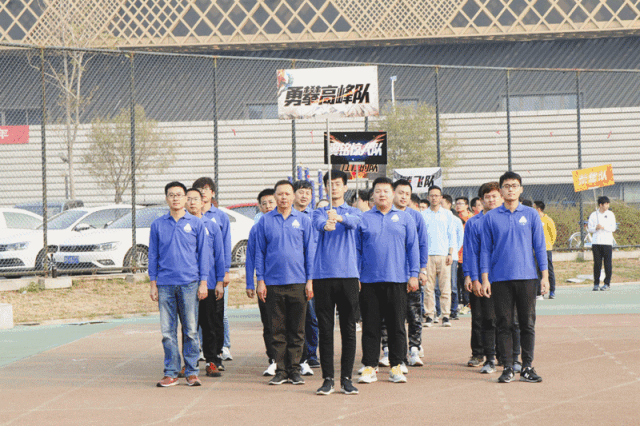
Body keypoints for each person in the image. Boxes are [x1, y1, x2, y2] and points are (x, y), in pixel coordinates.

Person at [480, 171, 548, 383]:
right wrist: (485, 278)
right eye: (507, 186)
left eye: (514, 185)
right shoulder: (490, 217)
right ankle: (508, 367)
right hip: (500, 279)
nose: (511, 189)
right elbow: (485, 250)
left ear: (521, 189)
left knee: (527, 324)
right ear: (501, 190)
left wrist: (545, 276)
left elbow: (540, 247)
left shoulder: (531, 214)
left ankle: (526, 366)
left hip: (527, 277)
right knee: (504, 324)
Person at [357, 177, 420, 385]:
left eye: (386, 191)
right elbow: (357, 250)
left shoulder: (405, 218)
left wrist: (414, 274)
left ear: (392, 194)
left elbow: (413, 247)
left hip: (397, 279)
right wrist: (357, 275)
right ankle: (369, 366)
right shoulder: (364, 219)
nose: (382, 194)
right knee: (370, 326)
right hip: (369, 281)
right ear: (372, 195)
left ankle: (396, 365)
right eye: (378, 191)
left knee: (397, 325)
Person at [149, 181, 209, 387]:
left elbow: (203, 255)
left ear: (185, 198)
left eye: (179, 195)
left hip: (189, 284)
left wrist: (203, 282)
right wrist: (153, 283)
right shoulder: (158, 225)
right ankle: (171, 372)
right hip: (165, 284)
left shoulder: (196, 224)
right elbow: (153, 255)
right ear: (166, 198)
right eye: (171, 195)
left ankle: (192, 372)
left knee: (191, 330)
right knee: (168, 332)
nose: (175, 198)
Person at [255, 180, 314, 386]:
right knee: (277, 329)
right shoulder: (265, 221)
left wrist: (310, 281)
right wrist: (260, 281)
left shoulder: (303, 220)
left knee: (297, 330)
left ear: (293, 196)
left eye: (287, 194)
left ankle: (295, 370)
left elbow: (310, 252)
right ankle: (280, 370)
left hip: (298, 282)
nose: (283, 198)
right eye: (280, 194)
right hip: (273, 283)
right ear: (275, 196)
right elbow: (260, 253)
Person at [312, 170, 362, 396]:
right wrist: (327, 224)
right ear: (325, 188)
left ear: (345, 187)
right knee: (325, 329)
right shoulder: (319, 212)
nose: (334, 187)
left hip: (348, 276)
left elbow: (355, 223)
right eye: (330, 184)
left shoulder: (353, 211)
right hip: (323, 276)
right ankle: (328, 379)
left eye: (338, 184)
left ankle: (347, 379)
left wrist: (340, 218)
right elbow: (318, 224)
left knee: (348, 328)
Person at [186, 188, 226, 378]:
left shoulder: (212, 226)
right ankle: (190, 362)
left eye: (196, 199)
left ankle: (212, 360)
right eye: (188, 199)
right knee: (189, 326)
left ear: (203, 202)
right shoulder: (181, 225)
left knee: (209, 324)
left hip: (208, 283)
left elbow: (219, 255)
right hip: (186, 283)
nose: (192, 202)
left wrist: (219, 281)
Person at [193, 177, 233, 364]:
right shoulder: (189, 217)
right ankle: (199, 351)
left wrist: (224, 272)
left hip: (214, 276)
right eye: (199, 189)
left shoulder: (219, 218)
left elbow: (224, 246)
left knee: (217, 316)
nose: (202, 192)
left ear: (213, 193)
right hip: (192, 278)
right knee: (195, 318)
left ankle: (221, 349)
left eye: (206, 189)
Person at [463, 182, 502, 373]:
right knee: (479, 317)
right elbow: (469, 251)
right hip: (478, 276)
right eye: (487, 197)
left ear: (501, 197)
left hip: (502, 277)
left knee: (504, 318)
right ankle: (479, 353)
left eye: (495, 196)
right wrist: (470, 276)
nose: (491, 200)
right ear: (481, 200)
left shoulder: (505, 219)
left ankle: (502, 353)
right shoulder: (473, 222)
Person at [246, 188, 278, 376]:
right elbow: (251, 257)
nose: (268, 206)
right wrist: (250, 282)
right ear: (259, 206)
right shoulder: (256, 228)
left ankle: (296, 360)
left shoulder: (287, 224)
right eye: (264, 203)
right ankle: (273, 359)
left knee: (292, 324)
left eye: (271, 202)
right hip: (265, 283)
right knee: (269, 323)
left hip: (288, 282)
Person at [293, 180, 320, 376]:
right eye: (301, 192)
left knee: (312, 315)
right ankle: (294, 354)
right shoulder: (288, 215)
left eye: (308, 193)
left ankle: (311, 353)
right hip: (294, 272)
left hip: (313, 272)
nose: (304, 196)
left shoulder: (315, 216)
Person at [421, 186, 456, 327]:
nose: (434, 198)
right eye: (432, 195)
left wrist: (450, 253)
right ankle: (429, 315)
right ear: (428, 197)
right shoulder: (423, 214)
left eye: (437, 195)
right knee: (428, 288)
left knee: (445, 288)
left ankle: (445, 316)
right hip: (428, 255)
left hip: (443, 255)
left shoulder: (447, 214)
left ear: (441, 197)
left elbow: (452, 234)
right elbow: (421, 236)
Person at [439, 194, 462, 320]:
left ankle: (453, 310)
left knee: (452, 284)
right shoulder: (437, 218)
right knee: (438, 286)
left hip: (452, 257)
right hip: (439, 256)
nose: (440, 205)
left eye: (442, 203)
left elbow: (459, 240)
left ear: (449, 204)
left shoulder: (456, 220)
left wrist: (452, 253)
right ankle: (440, 311)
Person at [588, 196, 617, 291]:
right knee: (597, 263)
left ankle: (607, 283)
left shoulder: (610, 214)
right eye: (606, 204)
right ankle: (596, 283)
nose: (607, 206)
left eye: (608, 204)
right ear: (600, 205)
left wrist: (603, 227)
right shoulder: (593, 215)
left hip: (607, 242)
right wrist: (595, 228)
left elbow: (613, 228)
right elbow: (589, 228)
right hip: (596, 242)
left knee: (607, 263)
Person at [534, 201, 557, 299]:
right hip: (536, 249)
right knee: (538, 271)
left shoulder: (548, 220)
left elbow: (553, 234)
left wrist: (548, 244)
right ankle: (540, 292)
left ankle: (552, 291)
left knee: (549, 270)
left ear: (538, 209)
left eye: (534, 207)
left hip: (546, 249)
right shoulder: (534, 220)